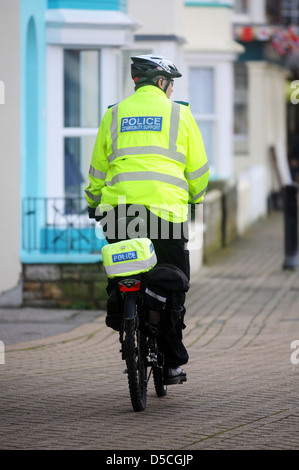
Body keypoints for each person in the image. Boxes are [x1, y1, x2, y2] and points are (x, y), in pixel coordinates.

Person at [85, 54, 209, 384]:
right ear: (162, 82)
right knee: (173, 282)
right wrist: (194, 198)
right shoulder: (180, 114)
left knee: (123, 271)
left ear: (137, 82)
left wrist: (93, 203)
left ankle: (124, 311)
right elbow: (197, 171)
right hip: (166, 214)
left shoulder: (113, 114)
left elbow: (97, 170)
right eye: (171, 84)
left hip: (120, 213)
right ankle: (170, 363)